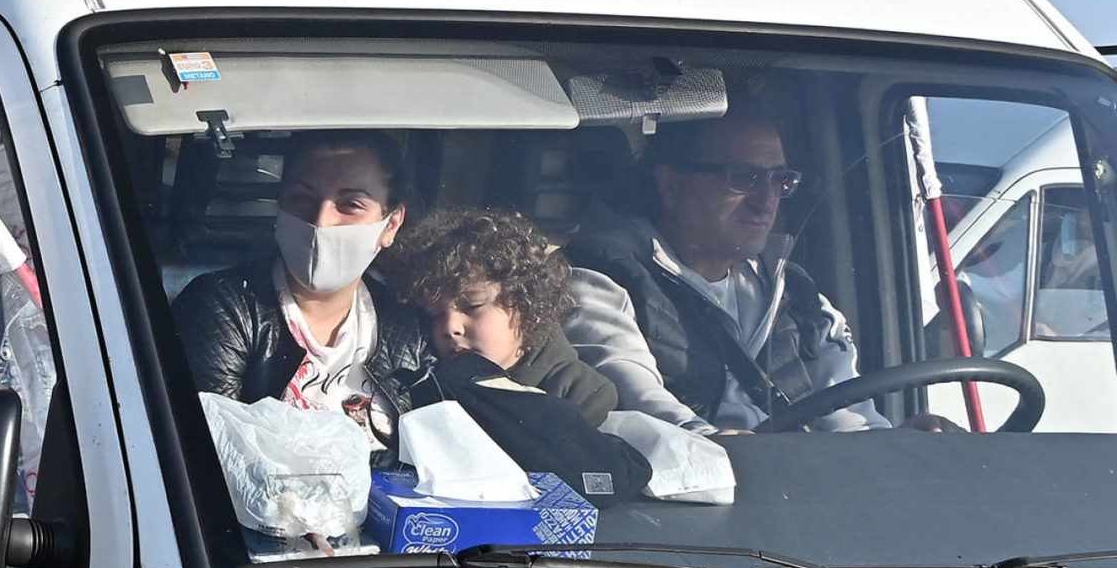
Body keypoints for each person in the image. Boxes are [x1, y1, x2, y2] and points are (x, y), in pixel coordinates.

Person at [565, 107, 932, 433]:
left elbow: (849, 422)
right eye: (744, 178)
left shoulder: (797, 295)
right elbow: (643, 406)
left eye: (780, 180)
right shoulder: (599, 280)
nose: (766, 203)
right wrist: (716, 447)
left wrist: (902, 445)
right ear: (672, 184)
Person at [174, 130, 429, 440]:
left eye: (350, 204)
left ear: (390, 225)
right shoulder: (224, 307)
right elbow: (216, 450)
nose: (321, 220)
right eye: (302, 198)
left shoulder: (407, 325)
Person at [390, 208, 618, 425]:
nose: (450, 327)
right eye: (435, 314)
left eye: (473, 307)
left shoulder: (582, 394)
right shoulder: (426, 385)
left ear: (525, 303)